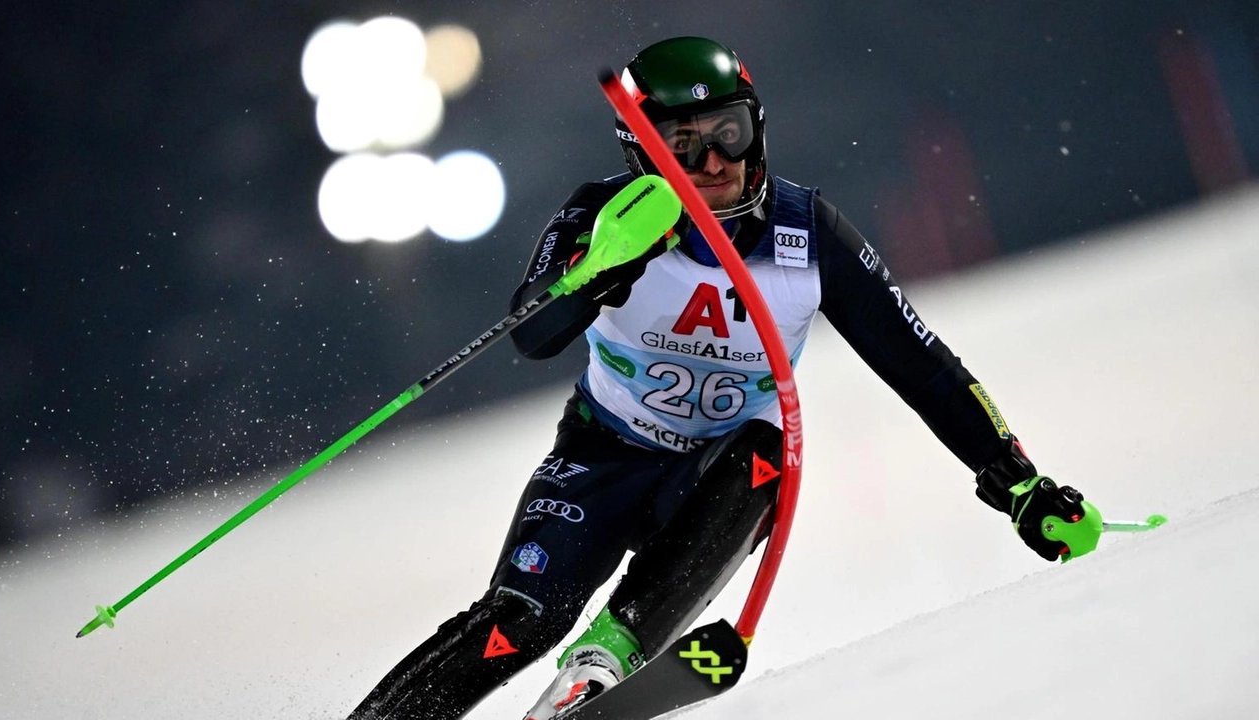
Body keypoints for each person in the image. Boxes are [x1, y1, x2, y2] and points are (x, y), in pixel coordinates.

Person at [347, 36, 1093, 720]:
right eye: (684, 145)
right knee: (515, 622)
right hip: (601, 456)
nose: (714, 164)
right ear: (643, 153)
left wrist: (1018, 482)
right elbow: (533, 335)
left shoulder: (807, 236)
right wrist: (599, 268)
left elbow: (920, 365)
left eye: (728, 135)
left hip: (720, 473)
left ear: (756, 130)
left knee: (767, 452)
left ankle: (608, 659)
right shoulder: (597, 213)